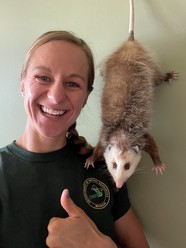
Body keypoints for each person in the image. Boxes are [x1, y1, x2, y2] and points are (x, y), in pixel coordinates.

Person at [0, 30, 150, 248]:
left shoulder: (105, 169)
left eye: (72, 84)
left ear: (86, 97)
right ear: (22, 84)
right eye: (43, 77)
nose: (56, 96)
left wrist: (97, 245)